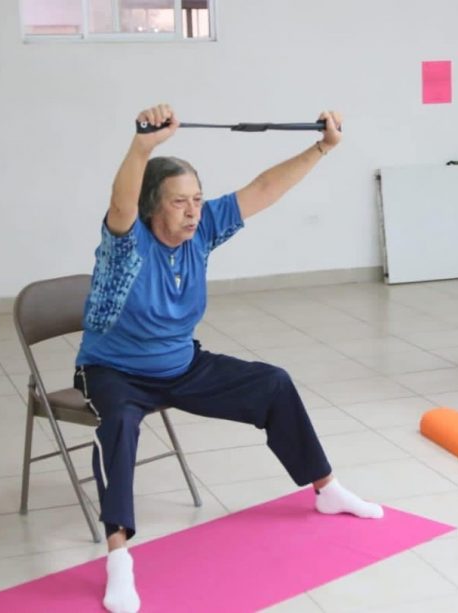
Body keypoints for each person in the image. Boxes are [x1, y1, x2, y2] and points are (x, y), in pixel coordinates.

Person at [74, 104, 383, 613]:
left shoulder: (203, 231)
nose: (193, 211)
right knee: (119, 427)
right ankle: (119, 558)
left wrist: (323, 147)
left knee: (274, 383)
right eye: (179, 202)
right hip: (114, 372)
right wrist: (142, 146)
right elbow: (120, 201)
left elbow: (263, 188)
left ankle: (326, 488)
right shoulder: (125, 246)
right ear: (154, 207)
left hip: (181, 364)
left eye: (197, 199)